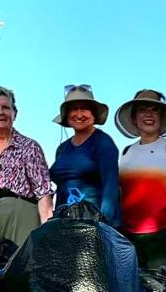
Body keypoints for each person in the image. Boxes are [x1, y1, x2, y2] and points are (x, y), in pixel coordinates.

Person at [0, 86, 53, 261]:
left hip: (22, 211)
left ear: (15, 113)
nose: (0, 112)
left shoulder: (30, 146)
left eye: (6, 107)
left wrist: (46, 230)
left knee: (21, 271)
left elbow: (43, 193)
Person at [115, 89, 166, 271]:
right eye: (142, 109)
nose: (148, 114)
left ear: (161, 117)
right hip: (127, 237)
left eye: (154, 110)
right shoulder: (126, 153)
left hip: (161, 236)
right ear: (134, 118)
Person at [49, 85, 121, 227]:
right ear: (67, 115)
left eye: (85, 109)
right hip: (65, 221)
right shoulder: (62, 148)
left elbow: (110, 187)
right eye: (74, 109)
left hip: (93, 221)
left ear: (93, 115)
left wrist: (103, 224)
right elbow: (61, 189)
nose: (79, 114)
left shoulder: (103, 142)